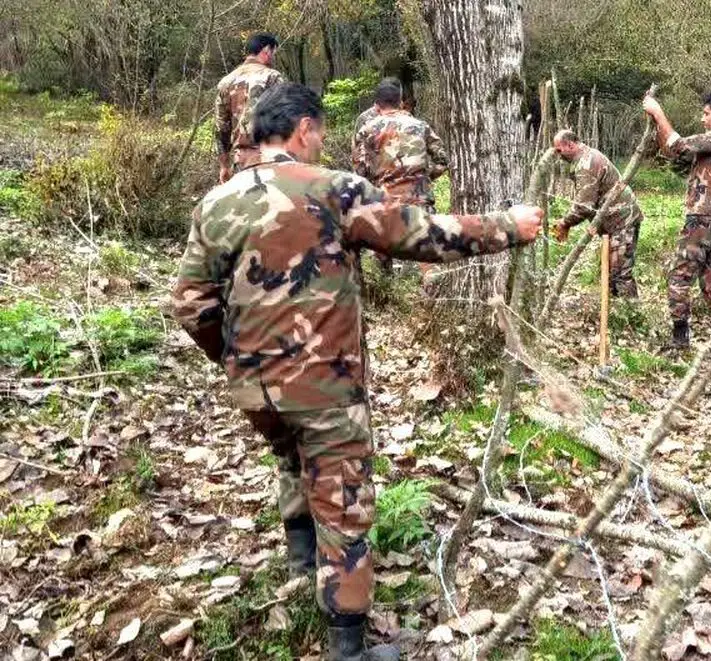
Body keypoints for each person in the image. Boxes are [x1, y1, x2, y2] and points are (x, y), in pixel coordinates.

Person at [171, 82, 543, 661]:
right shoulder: (333, 189)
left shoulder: (216, 201)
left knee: (290, 457)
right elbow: (419, 234)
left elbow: (191, 305)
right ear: (301, 131)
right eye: (319, 132)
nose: (321, 142)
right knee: (342, 497)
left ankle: (300, 567)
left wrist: (233, 357)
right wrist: (508, 227)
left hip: (252, 388)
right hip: (326, 384)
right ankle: (347, 647)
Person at [642, 90, 711, 368]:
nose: (702, 119)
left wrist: (658, 111)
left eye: (706, 114)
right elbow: (672, 151)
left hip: (702, 220)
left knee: (679, 277)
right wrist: (657, 123)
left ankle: (680, 338)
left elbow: (679, 144)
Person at [352, 79, 450, 278]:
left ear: (377, 105)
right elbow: (443, 160)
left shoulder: (367, 130)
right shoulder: (420, 126)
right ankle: (434, 298)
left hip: (384, 201)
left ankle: (386, 297)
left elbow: (359, 171)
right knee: (426, 254)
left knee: (381, 253)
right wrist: (426, 176)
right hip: (420, 200)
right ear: (400, 102)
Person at [550, 129, 643, 298]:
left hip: (622, 220)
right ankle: (615, 313)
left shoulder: (587, 163)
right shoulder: (585, 158)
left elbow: (584, 206)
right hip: (614, 221)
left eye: (559, 150)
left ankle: (631, 315)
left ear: (570, 144)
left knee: (620, 273)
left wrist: (564, 222)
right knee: (610, 271)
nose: (558, 154)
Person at [214, 32, 285, 182]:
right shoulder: (272, 77)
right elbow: (284, 118)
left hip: (241, 161)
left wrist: (224, 166)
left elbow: (221, 129)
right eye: (273, 52)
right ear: (266, 50)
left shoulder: (226, 82)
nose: (273, 57)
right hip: (269, 157)